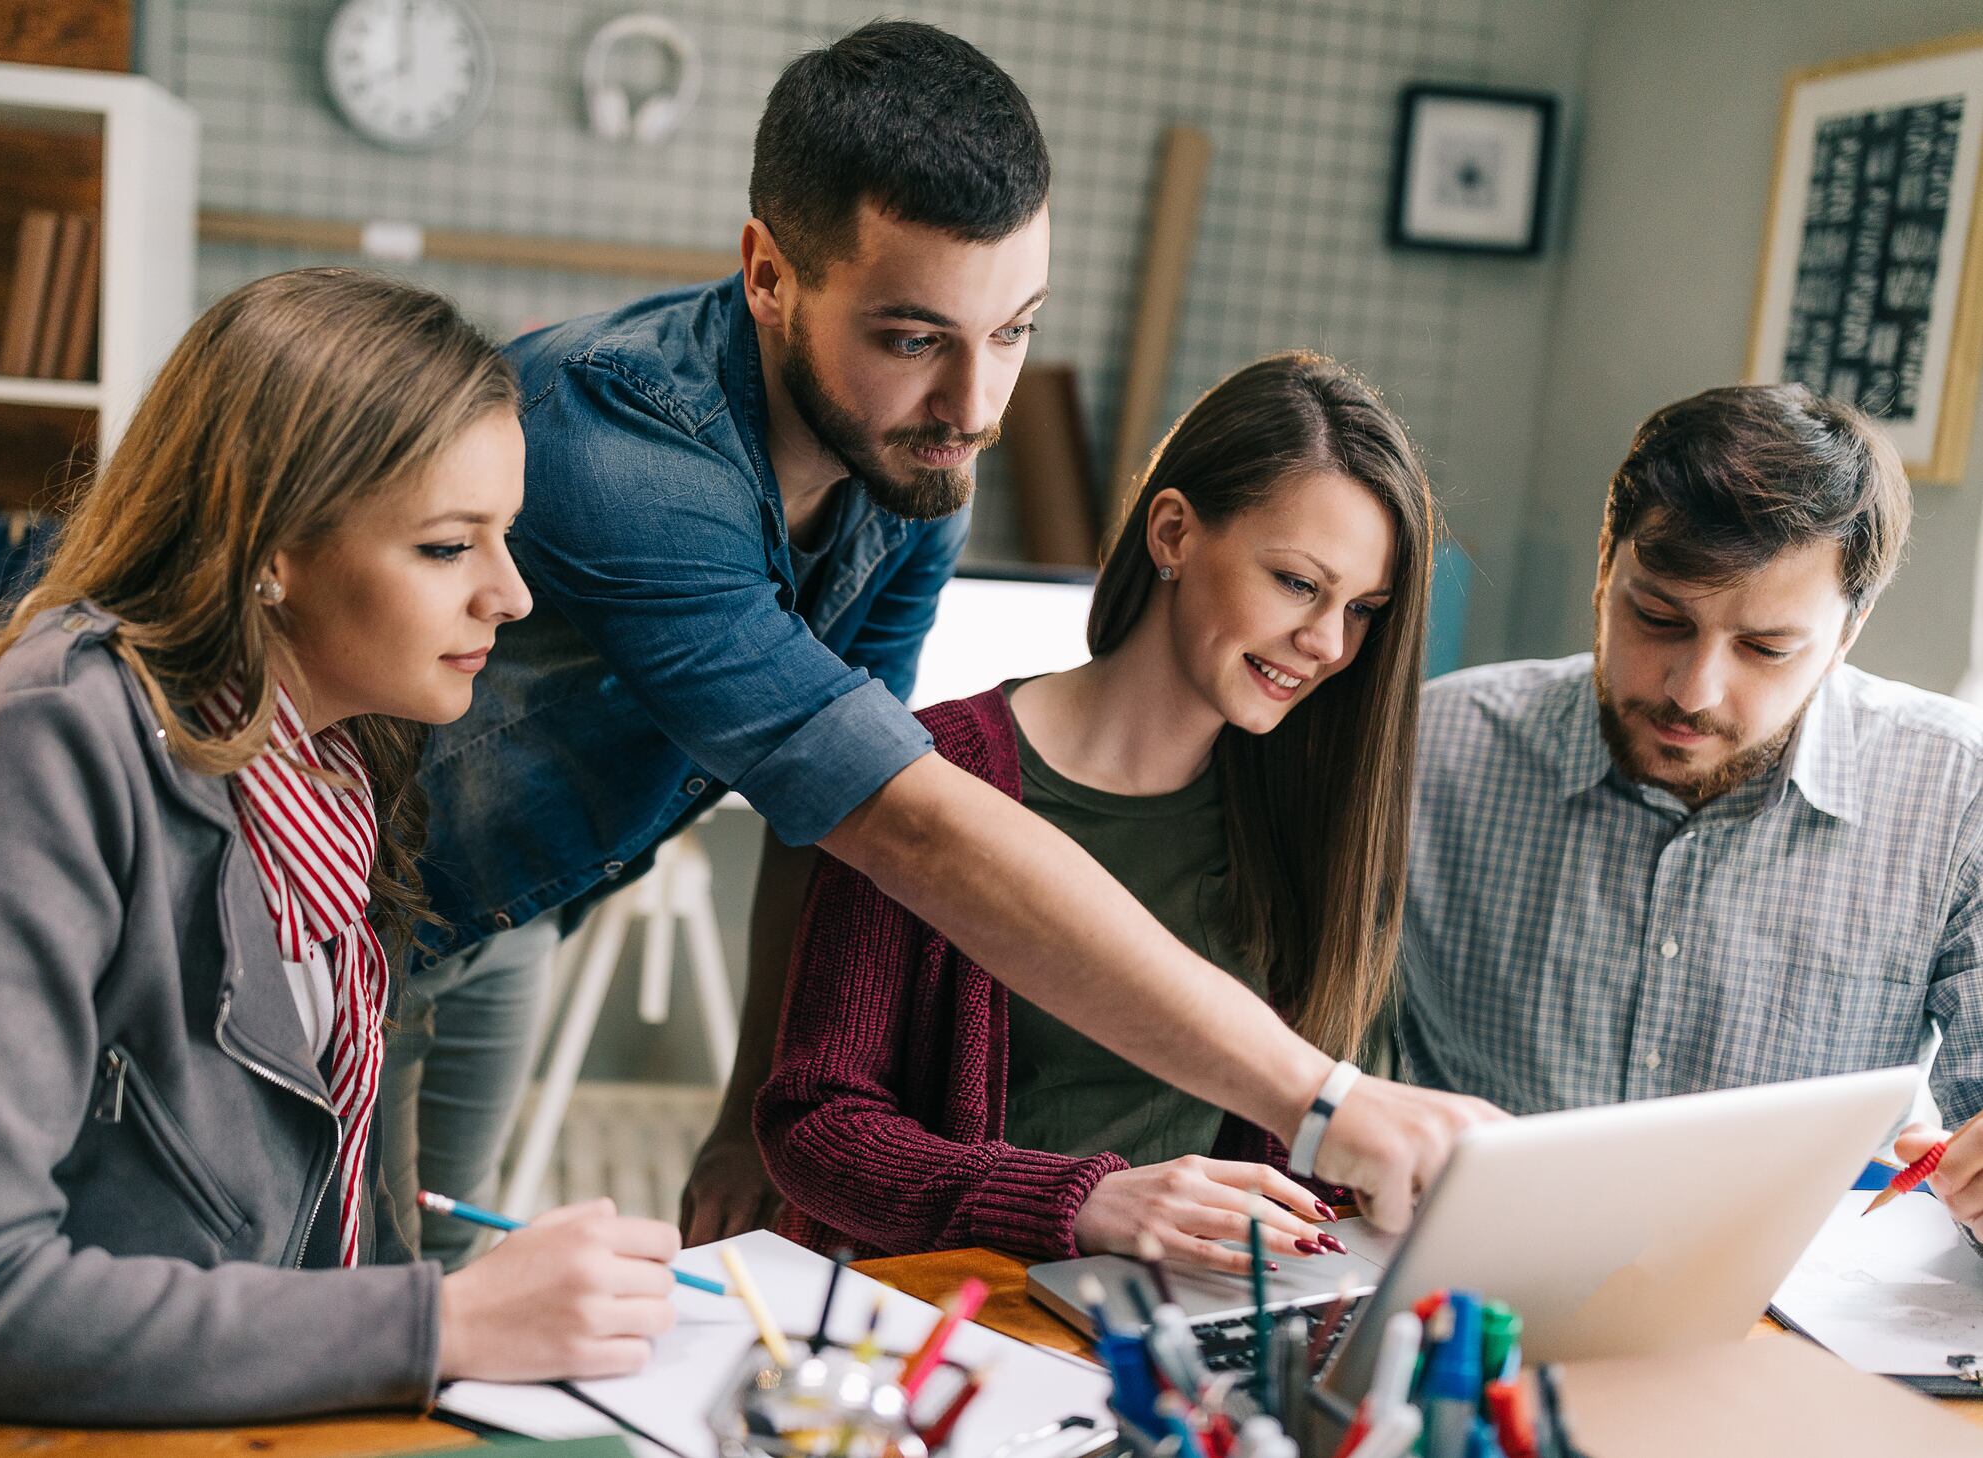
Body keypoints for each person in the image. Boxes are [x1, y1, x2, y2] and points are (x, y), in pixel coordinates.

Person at [397, 19, 1497, 1268]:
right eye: (914, 339)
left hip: (508, 915)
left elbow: (829, 816)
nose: (974, 407)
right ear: (768, 273)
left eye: (1015, 331)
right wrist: (1324, 1099)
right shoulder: (624, 453)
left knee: (427, 1302)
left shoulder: (918, 463)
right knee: (329, 1305)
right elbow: (903, 823)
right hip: (337, 907)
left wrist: (747, 1109)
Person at [0, 269, 682, 1423]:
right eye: (446, 547)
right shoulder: (55, 740)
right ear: (270, 547)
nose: (513, 596)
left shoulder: (339, 757)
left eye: (506, 538)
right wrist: (448, 1322)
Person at [754, 351, 1441, 1267]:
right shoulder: (935, 774)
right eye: (1297, 583)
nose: (1325, 643)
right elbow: (816, 1127)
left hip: (1188, 1334)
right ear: (1172, 533)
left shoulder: (1304, 818)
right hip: (959, 1320)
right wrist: (1077, 1206)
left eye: (1364, 609)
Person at [1397, 382, 1983, 1240]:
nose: (1692, 691)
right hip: (1478, 1303)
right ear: (1607, 564)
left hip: (1784, 1322)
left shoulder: (1956, 799)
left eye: (1765, 649)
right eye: (1660, 618)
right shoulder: (1435, 754)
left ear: (1847, 632)